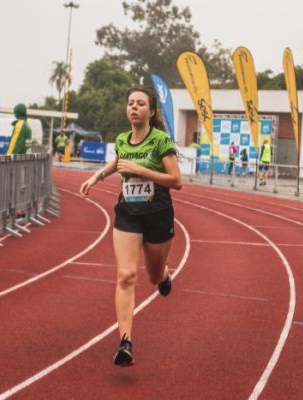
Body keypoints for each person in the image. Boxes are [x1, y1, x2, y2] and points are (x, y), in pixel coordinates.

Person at [79, 87, 182, 367]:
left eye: (140, 104)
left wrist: (141, 171)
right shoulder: (122, 139)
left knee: (153, 275)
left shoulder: (161, 141)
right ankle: (125, 342)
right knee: (125, 275)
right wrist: (97, 176)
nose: (133, 108)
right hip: (128, 213)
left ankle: (163, 277)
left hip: (158, 214)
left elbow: (176, 180)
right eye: (130, 103)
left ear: (151, 111)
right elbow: (118, 161)